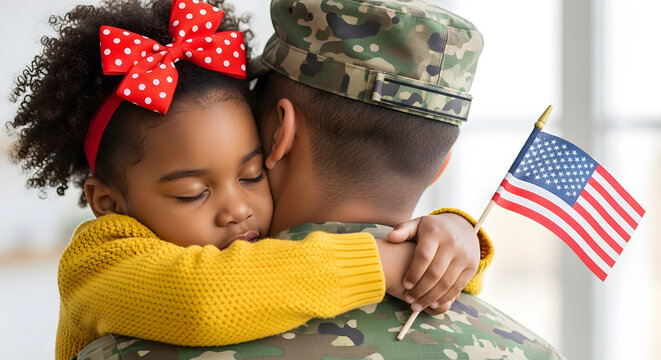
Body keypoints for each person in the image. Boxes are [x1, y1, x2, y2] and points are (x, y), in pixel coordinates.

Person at [72, 0, 566, 358]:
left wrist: (455, 238)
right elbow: (202, 295)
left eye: (248, 174)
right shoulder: (107, 260)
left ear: (277, 134)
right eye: (192, 192)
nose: (237, 209)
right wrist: (385, 261)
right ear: (442, 163)